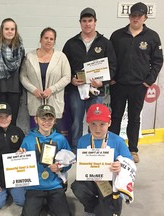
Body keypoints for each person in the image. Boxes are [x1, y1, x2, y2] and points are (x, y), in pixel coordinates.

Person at [109, 2, 163, 163]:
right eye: (133, 15)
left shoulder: (152, 37)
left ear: (145, 17)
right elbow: (110, 59)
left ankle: (133, 149)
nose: (135, 18)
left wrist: (148, 81)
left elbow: (158, 61)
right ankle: (112, 148)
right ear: (129, 16)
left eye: (138, 16)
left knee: (134, 118)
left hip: (139, 86)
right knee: (116, 116)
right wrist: (111, 78)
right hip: (118, 84)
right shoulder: (117, 35)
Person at [62, 7, 117, 153]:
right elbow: (63, 66)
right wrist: (71, 80)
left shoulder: (105, 43)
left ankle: (95, 148)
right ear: (80, 23)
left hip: (96, 90)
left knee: (96, 121)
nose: (87, 24)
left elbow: (112, 67)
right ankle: (76, 148)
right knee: (76, 121)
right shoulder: (70, 43)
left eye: (90, 21)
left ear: (95, 22)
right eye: (84, 21)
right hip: (76, 90)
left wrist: (103, 82)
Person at [71, 104, 133, 216]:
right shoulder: (83, 141)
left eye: (102, 124)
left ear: (109, 123)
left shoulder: (118, 141)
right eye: (93, 124)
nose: (97, 128)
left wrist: (120, 165)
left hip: (110, 181)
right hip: (91, 179)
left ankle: (104, 206)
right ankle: (91, 207)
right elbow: (81, 163)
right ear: (88, 123)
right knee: (78, 187)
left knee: (110, 212)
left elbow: (129, 161)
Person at [19, 104, 72, 216]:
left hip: (55, 185)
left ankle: (47, 204)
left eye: (50, 119)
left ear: (55, 120)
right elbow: (21, 166)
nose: (47, 122)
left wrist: (60, 168)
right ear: (36, 119)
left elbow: (69, 161)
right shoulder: (28, 139)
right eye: (43, 118)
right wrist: (19, 157)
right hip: (34, 186)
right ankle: (43, 204)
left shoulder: (61, 139)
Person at [20, 27, 71, 129]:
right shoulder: (29, 56)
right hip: (35, 100)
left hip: (54, 101)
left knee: (54, 137)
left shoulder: (61, 57)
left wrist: (51, 89)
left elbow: (67, 77)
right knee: (36, 136)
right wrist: (33, 89)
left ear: (54, 41)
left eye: (51, 39)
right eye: (46, 38)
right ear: (40, 39)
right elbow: (23, 76)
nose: (48, 41)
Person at [0, 18, 25, 125]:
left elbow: (22, 70)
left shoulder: (20, 48)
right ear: (2, 30)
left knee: (12, 121)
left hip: (15, 90)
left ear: (15, 31)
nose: (9, 31)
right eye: (7, 29)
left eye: (12, 29)